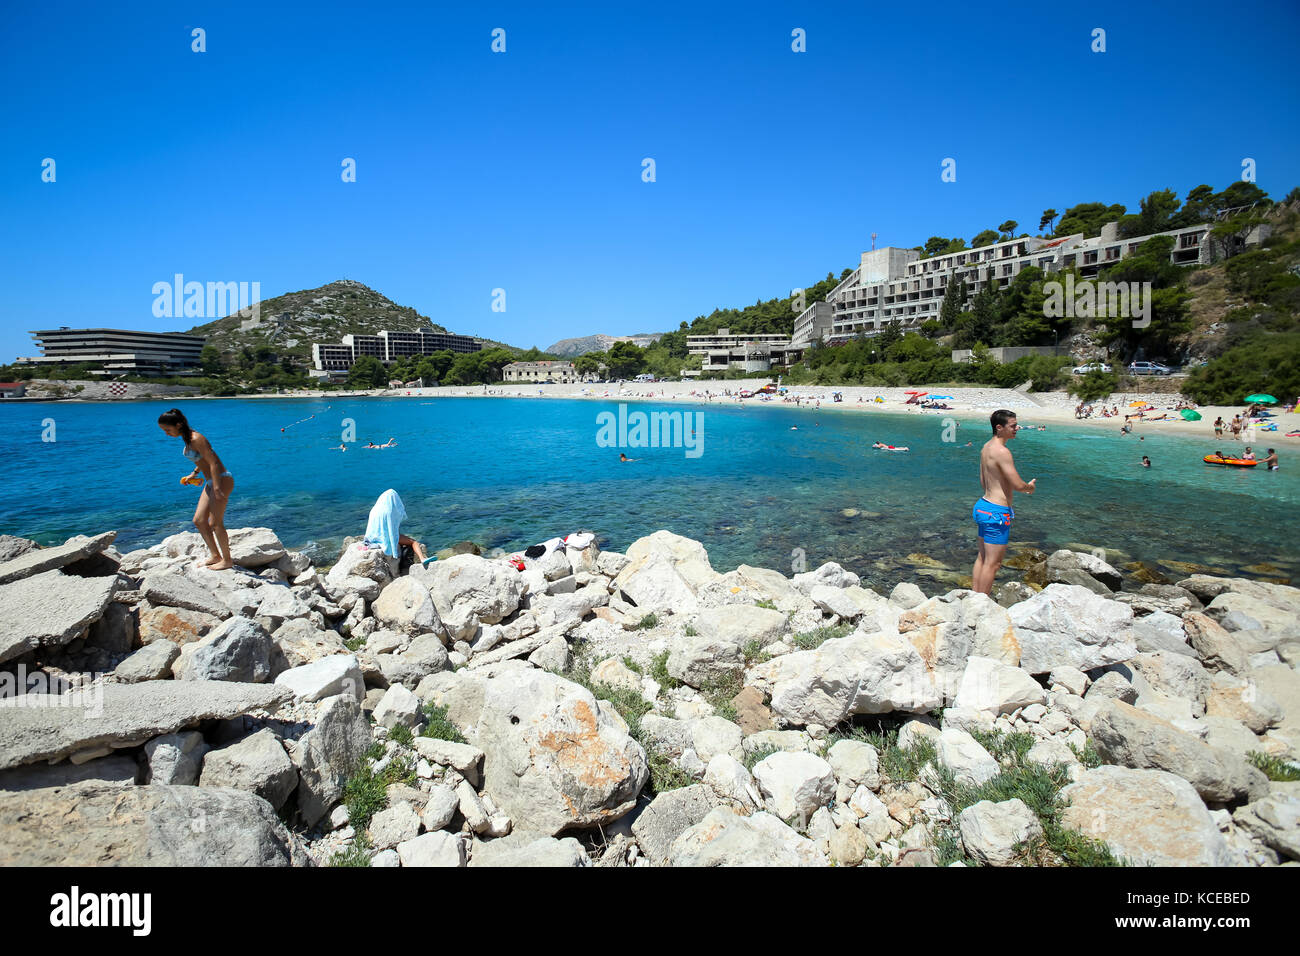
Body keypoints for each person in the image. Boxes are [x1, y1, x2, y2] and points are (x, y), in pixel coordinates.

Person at [158, 408, 235, 570]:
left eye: (168, 430)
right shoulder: (187, 438)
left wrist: (217, 488)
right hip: (211, 481)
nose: (166, 434)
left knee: (215, 522)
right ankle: (215, 556)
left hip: (221, 480)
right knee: (199, 521)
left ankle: (227, 560)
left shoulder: (196, 438)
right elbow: (201, 461)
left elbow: (213, 462)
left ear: (178, 425)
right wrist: (193, 474)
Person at [971, 409, 1035, 595]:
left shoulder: (986, 447)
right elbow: (1017, 485)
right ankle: (981, 604)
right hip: (997, 512)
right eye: (1013, 426)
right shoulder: (1002, 451)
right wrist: (1030, 487)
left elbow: (983, 480)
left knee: (982, 558)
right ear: (999, 428)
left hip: (983, 506)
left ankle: (974, 597)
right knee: (993, 563)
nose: (1017, 428)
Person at [362, 489, 428, 566]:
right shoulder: (388, 511)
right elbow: (391, 530)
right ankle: (422, 559)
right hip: (385, 538)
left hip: (371, 538)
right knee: (414, 542)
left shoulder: (374, 511)